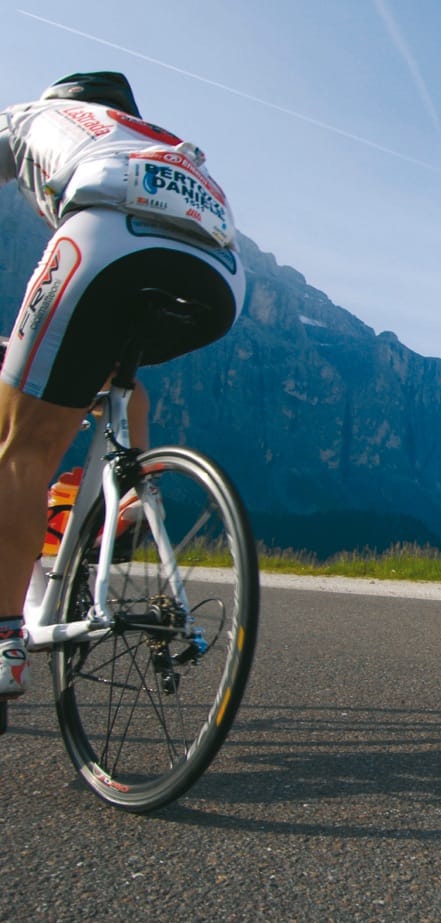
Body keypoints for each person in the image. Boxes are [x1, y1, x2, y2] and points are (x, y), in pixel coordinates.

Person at [0, 72, 246, 699]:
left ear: (62, 100)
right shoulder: (157, 137)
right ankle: (132, 484)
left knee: (22, 448)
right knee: (112, 375)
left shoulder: (29, 118)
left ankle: (5, 642)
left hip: (106, 243)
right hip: (221, 280)